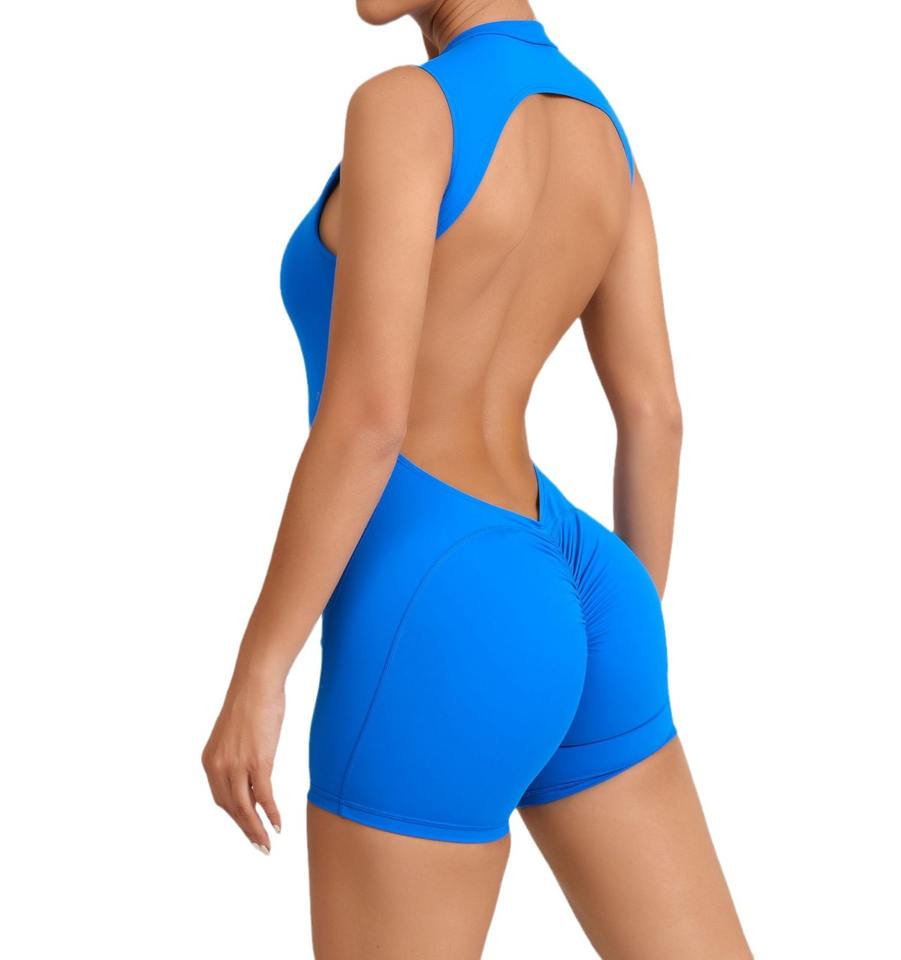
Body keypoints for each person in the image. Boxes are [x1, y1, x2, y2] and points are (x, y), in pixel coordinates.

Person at [203, 2, 752, 956]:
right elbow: (655, 414)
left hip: (436, 589)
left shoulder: (403, 110)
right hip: (589, 582)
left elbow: (369, 420)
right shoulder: (602, 131)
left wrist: (261, 669)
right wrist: (602, 643)